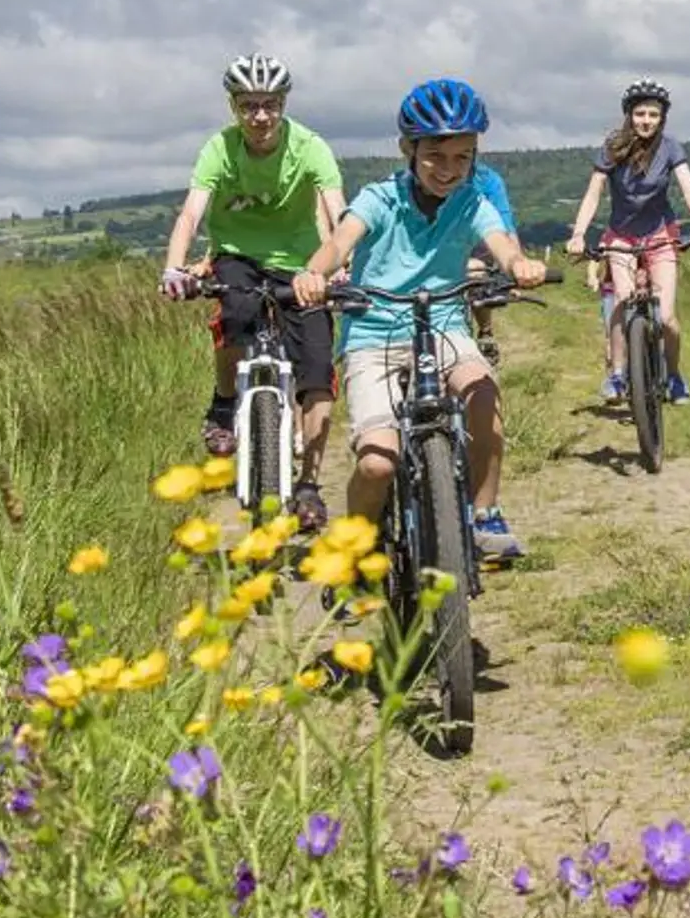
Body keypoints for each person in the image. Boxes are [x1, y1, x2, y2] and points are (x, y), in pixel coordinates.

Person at [291, 78, 545, 563]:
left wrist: (518, 266)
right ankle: (356, 554)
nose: (448, 170)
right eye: (435, 155)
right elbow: (341, 241)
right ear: (408, 148)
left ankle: (483, 514)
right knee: (376, 464)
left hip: (445, 324)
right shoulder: (380, 198)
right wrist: (314, 272)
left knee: (483, 392)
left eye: (462, 157)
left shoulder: (472, 201)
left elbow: (501, 243)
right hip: (375, 332)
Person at [158, 54, 346, 533]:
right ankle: (225, 402)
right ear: (233, 107)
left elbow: (337, 209)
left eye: (269, 105)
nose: (260, 116)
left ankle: (308, 485)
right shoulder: (219, 149)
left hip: (302, 263)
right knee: (235, 314)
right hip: (238, 255)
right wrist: (174, 268)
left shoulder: (310, 147)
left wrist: (341, 264)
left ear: (283, 104)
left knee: (318, 370)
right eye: (248, 106)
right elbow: (190, 214)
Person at [565, 79, 690, 404]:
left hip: (661, 233)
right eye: (640, 113)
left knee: (667, 317)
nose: (646, 120)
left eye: (654, 115)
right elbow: (594, 194)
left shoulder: (671, 147)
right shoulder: (612, 147)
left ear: (662, 118)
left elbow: (688, 189)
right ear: (629, 115)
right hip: (621, 235)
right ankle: (618, 375)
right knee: (621, 299)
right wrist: (578, 234)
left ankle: (674, 376)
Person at [464, 160, 519, 365]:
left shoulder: (488, 180)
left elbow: (505, 225)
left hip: (480, 245)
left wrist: (517, 267)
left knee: (478, 276)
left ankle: (485, 330)